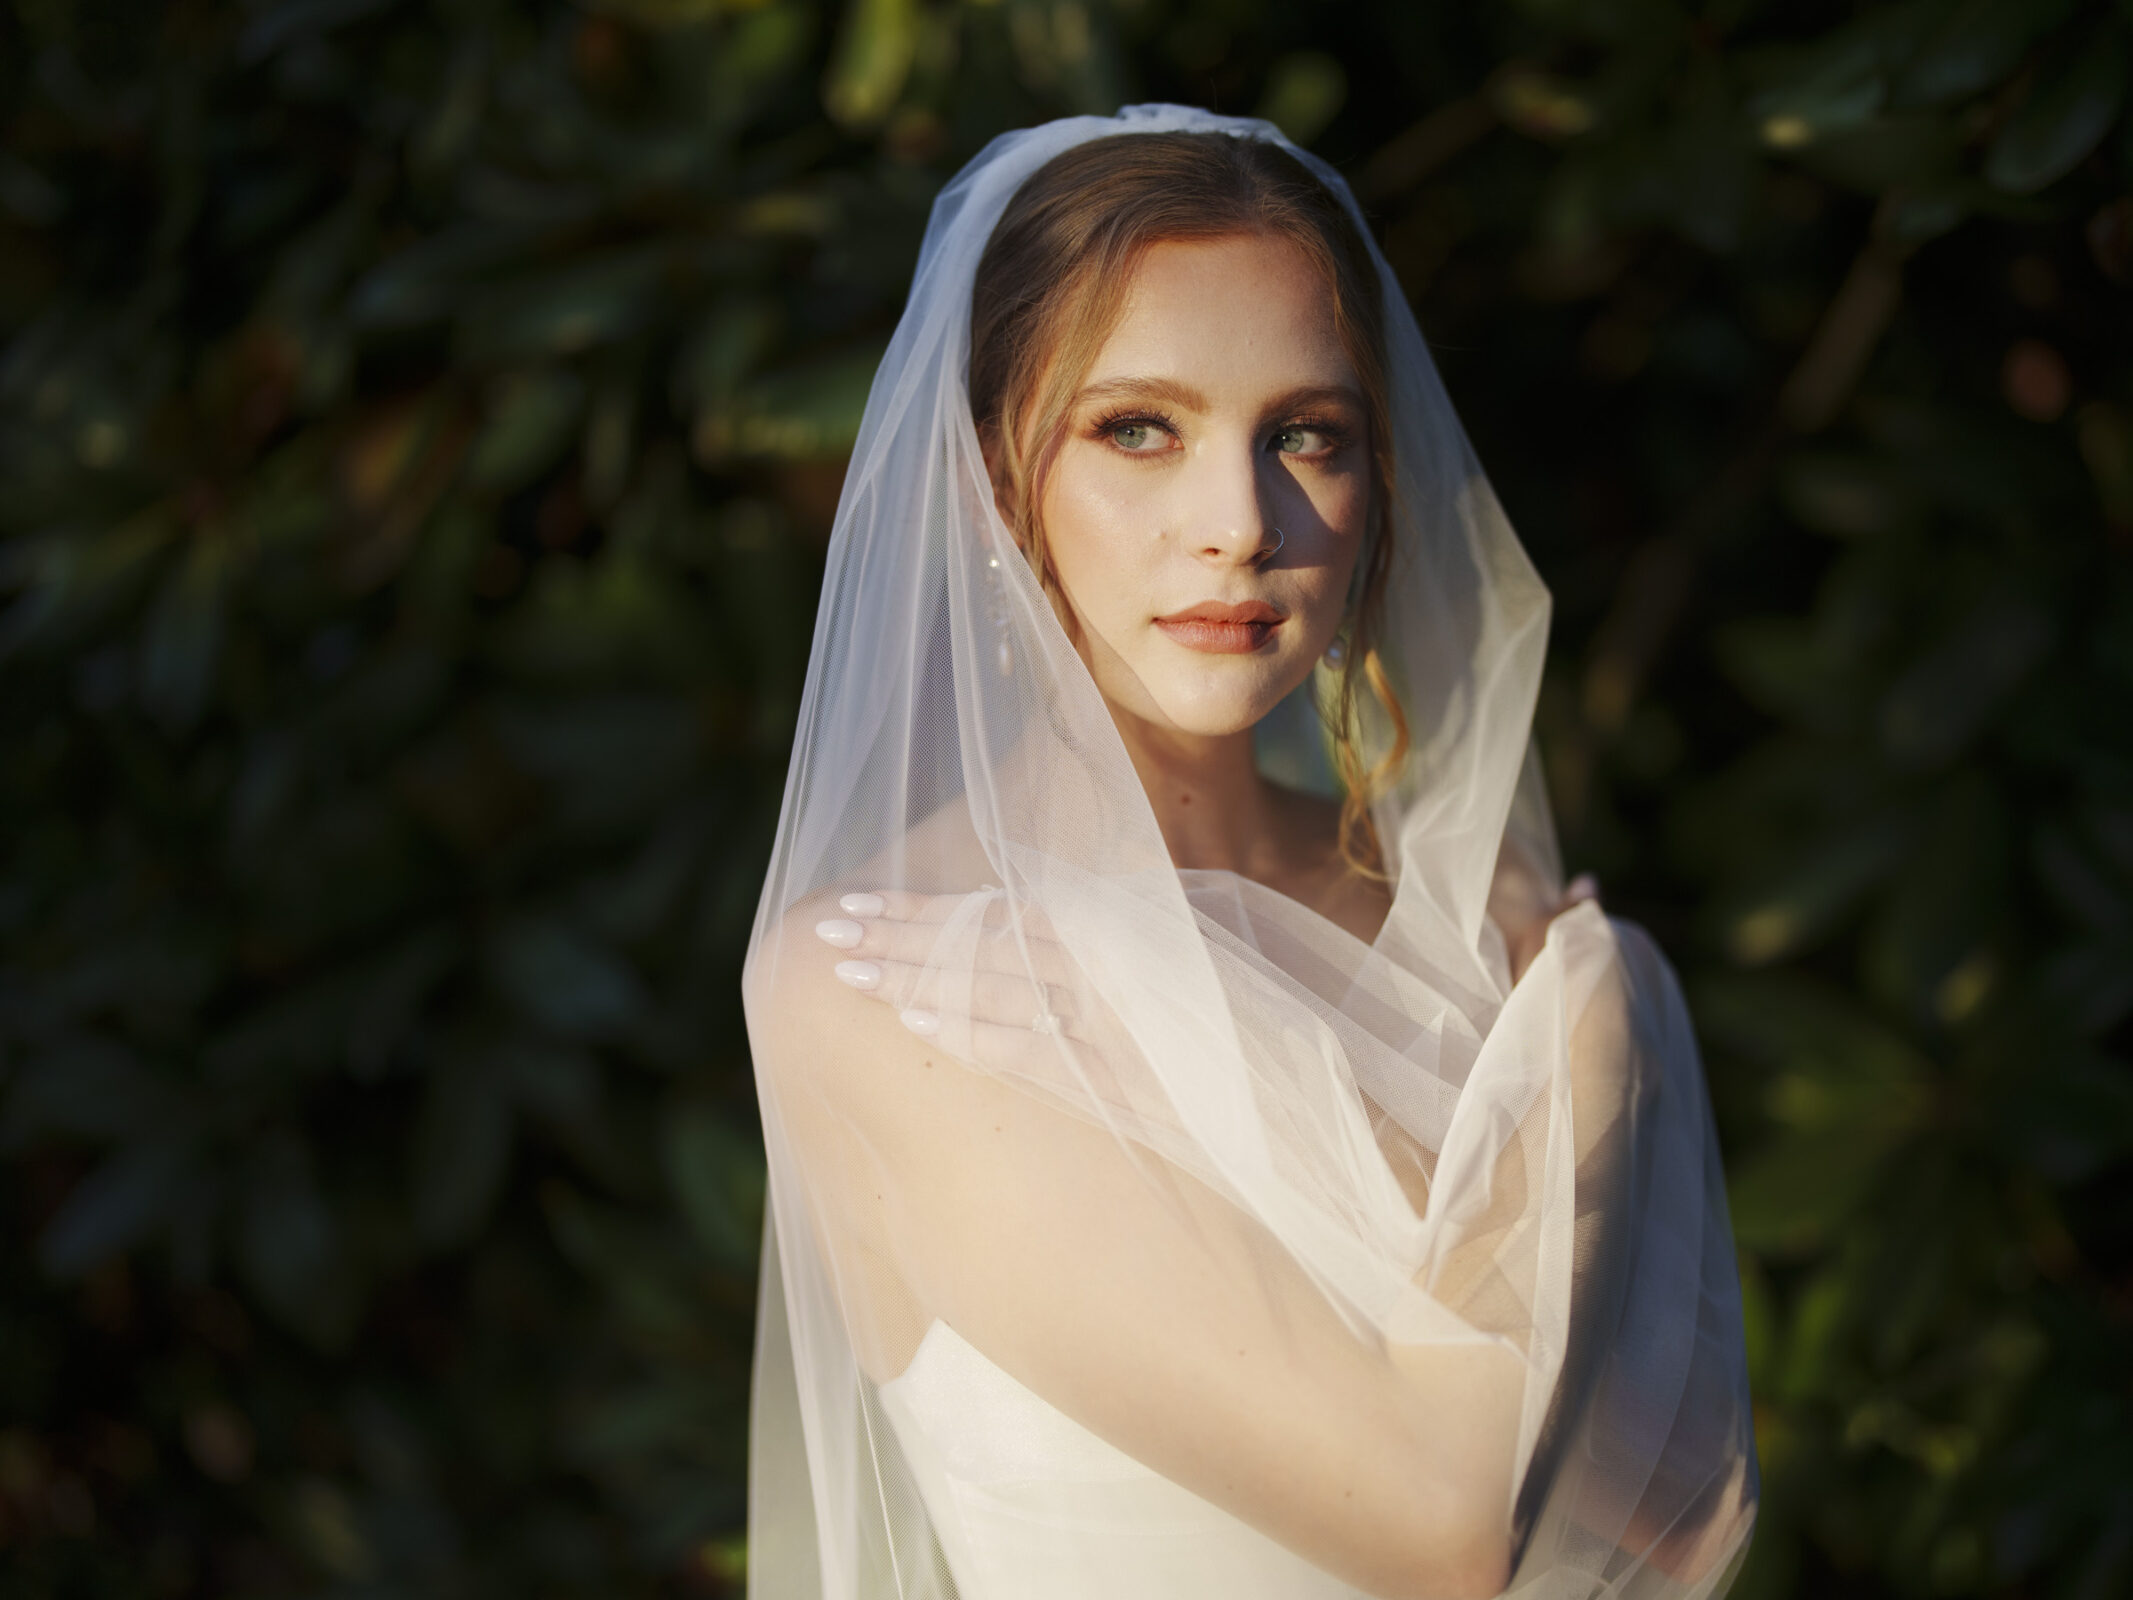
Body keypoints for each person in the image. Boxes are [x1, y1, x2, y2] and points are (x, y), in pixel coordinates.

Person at [740, 105, 1757, 1600]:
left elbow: (1669, 1523)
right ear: (990, 478)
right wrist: (1597, 1023)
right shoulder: (876, 978)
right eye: (1136, 428)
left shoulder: (1467, 924)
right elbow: (1445, 1523)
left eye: (1305, 435)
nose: (1238, 523)